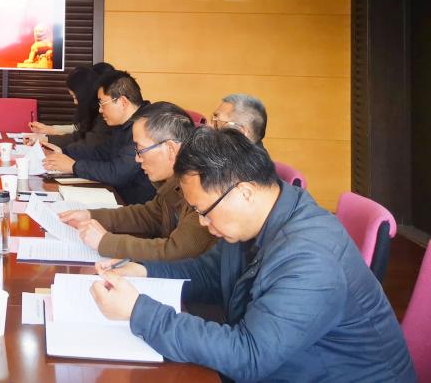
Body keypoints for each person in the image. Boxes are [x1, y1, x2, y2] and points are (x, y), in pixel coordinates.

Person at [91, 128, 415, 382]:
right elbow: (209, 273)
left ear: (244, 192)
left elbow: (249, 356)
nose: (202, 222)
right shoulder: (258, 218)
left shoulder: (310, 258)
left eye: (204, 211)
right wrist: (144, 271)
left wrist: (139, 312)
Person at [58, 102, 216, 261]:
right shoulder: (174, 181)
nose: (137, 159)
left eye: (140, 150)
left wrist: (105, 242)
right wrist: (90, 215)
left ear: (170, 149)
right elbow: (150, 215)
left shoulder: (204, 188)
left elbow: (175, 251)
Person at [43, 70, 156, 204]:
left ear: (123, 102)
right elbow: (100, 152)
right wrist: (63, 153)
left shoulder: (146, 127)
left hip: (134, 206)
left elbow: (117, 173)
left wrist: (74, 166)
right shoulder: (123, 124)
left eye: (102, 103)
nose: (100, 110)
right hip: (118, 196)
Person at [26, 62, 115, 151]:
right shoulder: (93, 111)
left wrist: (50, 140)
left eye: (75, 97)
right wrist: (48, 132)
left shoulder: (105, 117)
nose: (75, 102)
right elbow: (79, 132)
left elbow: (86, 141)